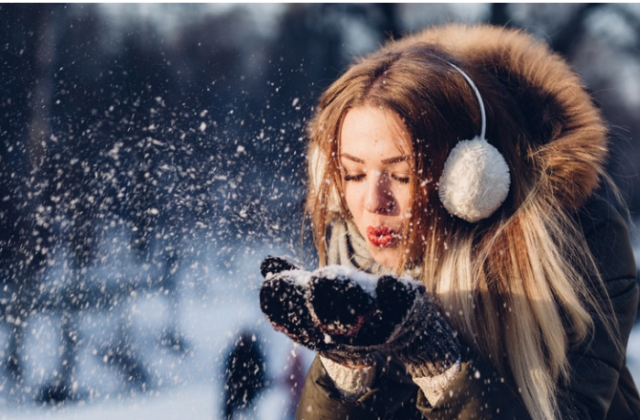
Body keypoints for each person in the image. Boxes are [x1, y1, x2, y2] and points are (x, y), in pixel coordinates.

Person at [259, 23, 640, 420]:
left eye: (401, 176)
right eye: (353, 175)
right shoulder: (351, 258)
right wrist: (346, 372)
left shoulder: (579, 244)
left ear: (469, 179)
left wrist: (441, 367)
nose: (374, 202)